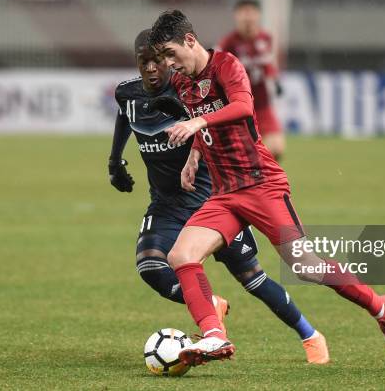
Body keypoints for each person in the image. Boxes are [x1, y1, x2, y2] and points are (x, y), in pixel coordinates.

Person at [148, 10, 385, 366]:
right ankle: (214, 336)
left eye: (171, 54)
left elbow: (243, 106)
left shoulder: (226, 65)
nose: (169, 64)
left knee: (305, 265)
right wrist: (195, 155)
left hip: (261, 185)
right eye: (162, 58)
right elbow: (206, 129)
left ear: (190, 41)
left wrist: (198, 122)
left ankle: (381, 306)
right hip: (224, 193)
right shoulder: (182, 83)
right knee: (181, 256)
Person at [108, 29, 329, 364]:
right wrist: (115, 160)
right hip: (166, 203)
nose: (153, 68)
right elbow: (126, 116)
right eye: (145, 62)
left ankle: (309, 334)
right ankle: (212, 313)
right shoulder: (127, 93)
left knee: (253, 279)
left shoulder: (189, 90)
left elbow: (230, 114)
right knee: (151, 265)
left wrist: (195, 136)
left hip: (213, 200)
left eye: (159, 60)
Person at [217, 0, 285, 161]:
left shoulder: (266, 38)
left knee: (276, 148)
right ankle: (257, 180)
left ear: (258, 16)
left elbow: (267, 63)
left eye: (252, 13)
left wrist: (275, 79)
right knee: (248, 154)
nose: (248, 18)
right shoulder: (228, 43)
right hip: (241, 106)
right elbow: (217, 69)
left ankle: (262, 179)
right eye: (244, 13)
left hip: (263, 104)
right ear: (237, 16)